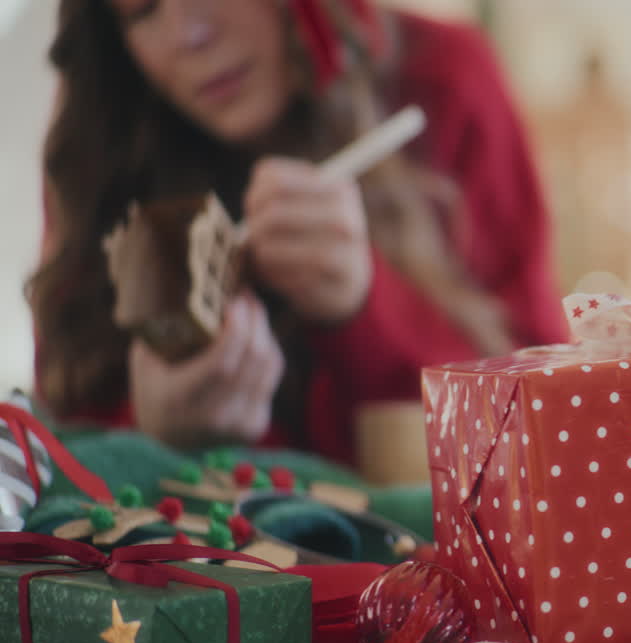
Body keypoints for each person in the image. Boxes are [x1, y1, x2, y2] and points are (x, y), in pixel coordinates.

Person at [29, 0, 568, 468]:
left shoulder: (445, 79)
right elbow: (57, 463)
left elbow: (549, 420)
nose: (189, 34)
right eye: (140, 9)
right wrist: (150, 436)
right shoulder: (103, 150)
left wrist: (364, 307)